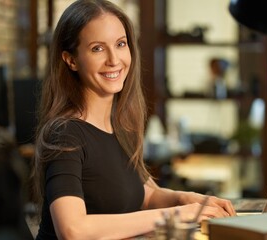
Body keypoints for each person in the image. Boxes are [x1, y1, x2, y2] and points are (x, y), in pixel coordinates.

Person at [30, 0, 236, 239]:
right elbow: (73, 230)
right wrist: (181, 214)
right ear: (71, 60)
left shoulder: (120, 126)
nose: (114, 60)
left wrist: (188, 200)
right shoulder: (65, 134)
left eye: (120, 44)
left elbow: (146, 194)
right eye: (97, 48)